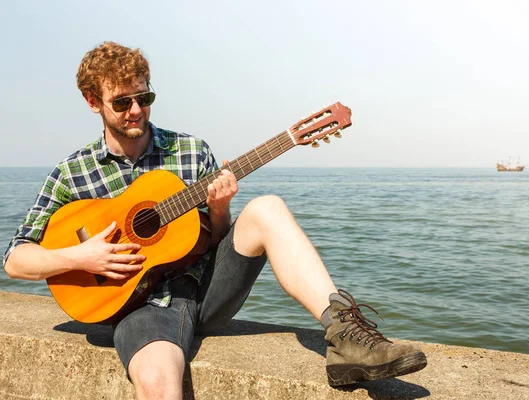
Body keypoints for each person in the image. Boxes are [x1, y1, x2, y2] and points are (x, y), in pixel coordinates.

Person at [3, 41, 427, 399]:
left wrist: (220, 209)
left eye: (144, 98)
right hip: (138, 308)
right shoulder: (72, 173)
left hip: (204, 288)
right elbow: (16, 260)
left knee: (267, 208)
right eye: (122, 102)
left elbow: (214, 238)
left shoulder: (189, 151)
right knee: (158, 383)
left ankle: (346, 337)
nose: (136, 110)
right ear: (93, 101)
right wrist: (82, 257)